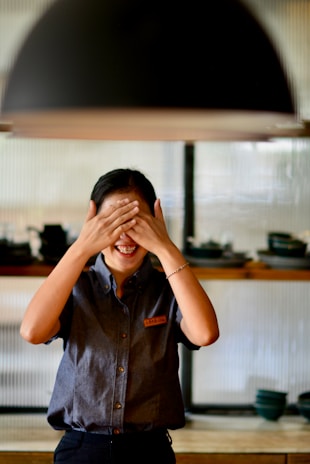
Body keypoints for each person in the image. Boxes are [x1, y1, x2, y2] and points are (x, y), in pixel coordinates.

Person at [20, 168, 219, 464]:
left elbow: (205, 333)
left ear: (154, 221)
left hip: (150, 452)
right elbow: (32, 331)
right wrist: (82, 246)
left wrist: (165, 246)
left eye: (135, 222)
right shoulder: (75, 286)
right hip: (81, 451)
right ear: (94, 223)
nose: (124, 234)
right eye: (112, 222)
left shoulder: (170, 288)